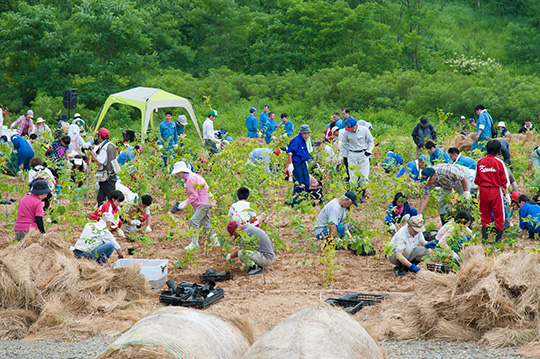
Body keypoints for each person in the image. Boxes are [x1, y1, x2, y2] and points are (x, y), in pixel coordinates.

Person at [170, 161, 219, 251]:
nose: (177, 175)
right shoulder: (189, 178)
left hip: (203, 203)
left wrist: (185, 202)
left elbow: (194, 195)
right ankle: (215, 241)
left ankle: (194, 243)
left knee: (194, 220)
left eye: (178, 173)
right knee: (205, 223)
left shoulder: (190, 178)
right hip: (205, 202)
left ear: (183, 171)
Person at [475, 140, 509, 243]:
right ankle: (497, 241)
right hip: (495, 190)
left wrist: (478, 191)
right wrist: (506, 194)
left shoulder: (480, 162)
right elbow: (505, 180)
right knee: (499, 215)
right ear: (498, 150)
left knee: (484, 215)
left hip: (483, 190)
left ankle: (484, 240)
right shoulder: (499, 162)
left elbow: (477, 179)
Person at [339, 117, 374, 202]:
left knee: (363, 176)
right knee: (353, 177)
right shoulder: (347, 132)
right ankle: (353, 197)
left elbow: (371, 141)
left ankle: (362, 195)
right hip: (352, 155)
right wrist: (341, 156)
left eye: (353, 128)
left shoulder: (364, 130)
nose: (352, 130)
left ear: (356, 125)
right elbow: (343, 144)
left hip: (363, 154)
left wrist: (369, 150)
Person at [89, 128, 118, 206]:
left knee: (111, 198)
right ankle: (99, 215)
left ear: (100, 137)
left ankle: (116, 216)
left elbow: (99, 161)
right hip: (111, 174)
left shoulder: (105, 148)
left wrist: (93, 154)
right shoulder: (111, 145)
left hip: (106, 176)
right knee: (101, 197)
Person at [287, 124, 312, 205]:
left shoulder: (307, 141)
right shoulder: (296, 140)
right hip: (296, 163)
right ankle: (296, 203)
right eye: (305, 133)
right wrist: (290, 164)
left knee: (306, 181)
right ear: (302, 133)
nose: (307, 135)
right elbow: (290, 152)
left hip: (303, 162)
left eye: (308, 133)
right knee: (299, 182)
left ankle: (304, 200)